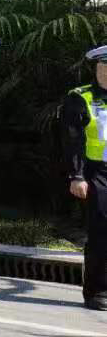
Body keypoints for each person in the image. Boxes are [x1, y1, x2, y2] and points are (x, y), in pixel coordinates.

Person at [64, 45, 107, 311]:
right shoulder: (81, 97)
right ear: (97, 69)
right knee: (102, 232)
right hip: (97, 172)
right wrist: (77, 175)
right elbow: (73, 140)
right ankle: (97, 291)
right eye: (104, 67)